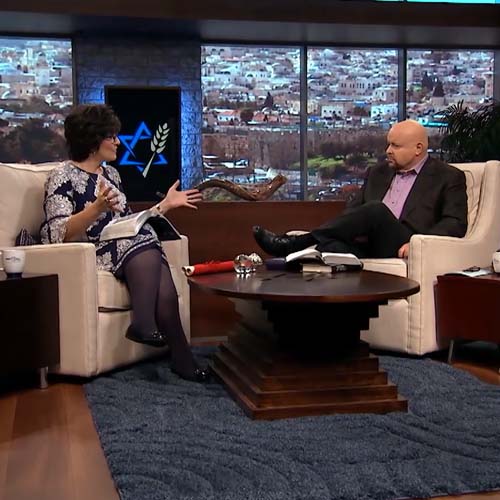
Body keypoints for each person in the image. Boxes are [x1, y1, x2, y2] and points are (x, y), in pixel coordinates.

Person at [40, 104, 209, 382]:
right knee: (145, 242)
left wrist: (164, 206)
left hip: (123, 245)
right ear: (92, 140)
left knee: (150, 246)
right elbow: (57, 232)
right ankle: (151, 330)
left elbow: (128, 221)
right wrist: (96, 209)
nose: (118, 142)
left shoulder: (112, 176)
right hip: (87, 252)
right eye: (112, 136)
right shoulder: (62, 175)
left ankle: (177, 354)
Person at [253, 119, 468, 259]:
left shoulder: (448, 177)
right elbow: (353, 213)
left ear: (418, 149)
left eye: (395, 146)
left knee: (376, 209)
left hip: (404, 243)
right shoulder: (377, 172)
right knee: (329, 248)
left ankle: (298, 242)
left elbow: (455, 223)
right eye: (388, 144)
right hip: (368, 244)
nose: (388, 151)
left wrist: (419, 244)